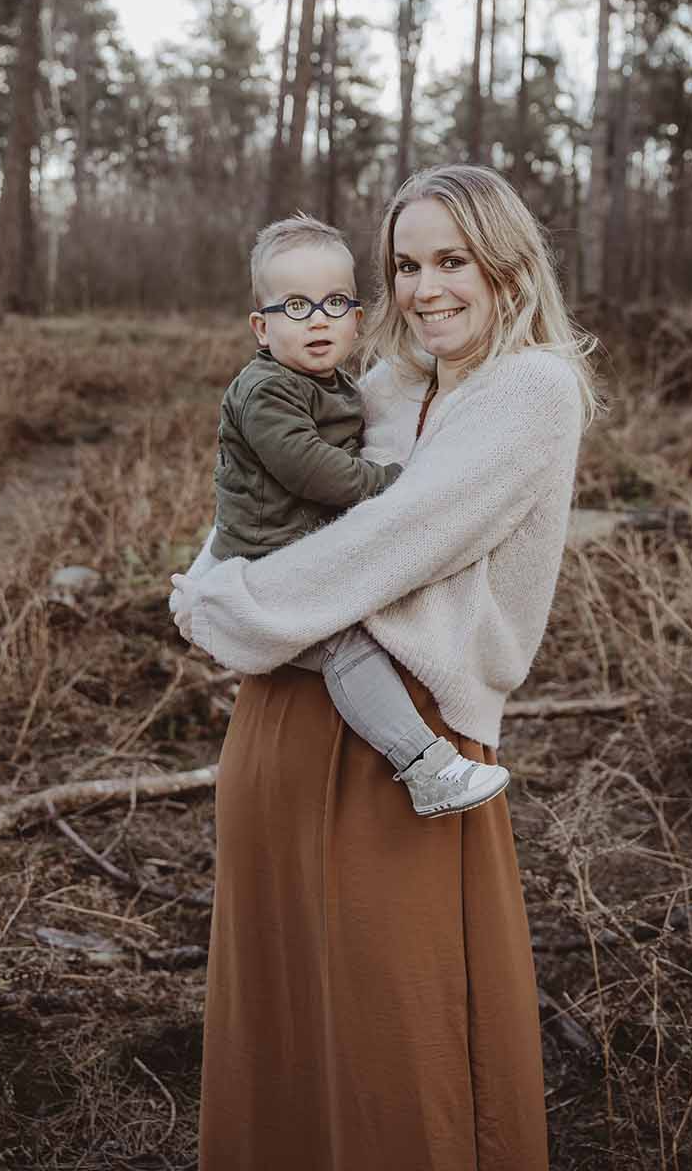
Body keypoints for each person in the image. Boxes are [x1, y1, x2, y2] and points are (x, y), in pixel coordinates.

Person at [171, 165, 600, 1171]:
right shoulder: (386, 385)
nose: (425, 288)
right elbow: (258, 508)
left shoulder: (529, 392)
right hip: (279, 727)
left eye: (452, 260)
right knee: (289, 1025)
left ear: (506, 265)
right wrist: (206, 582)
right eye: (406, 265)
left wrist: (221, 609)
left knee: (398, 1052)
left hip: (401, 752)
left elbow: (394, 540)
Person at [209, 211, 510, 816]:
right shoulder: (266, 389)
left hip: (297, 548)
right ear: (260, 328)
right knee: (345, 647)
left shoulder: (337, 383)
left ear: (356, 319)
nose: (316, 318)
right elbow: (308, 467)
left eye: (332, 303)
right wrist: (394, 487)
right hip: (267, 559)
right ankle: (424, 768)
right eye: (294, 306)